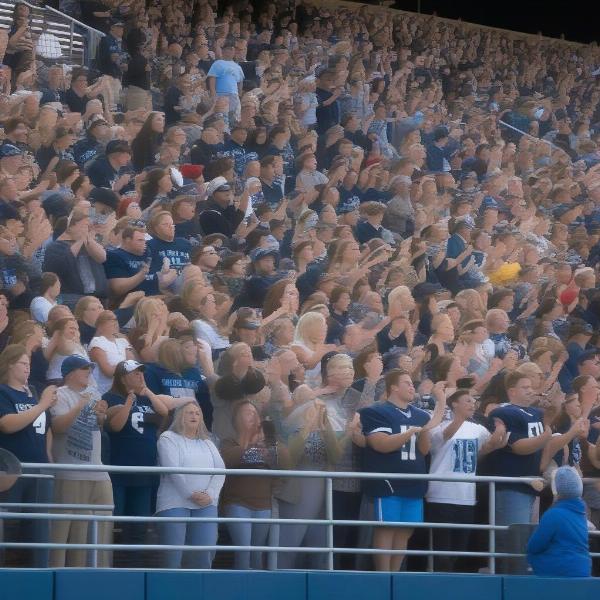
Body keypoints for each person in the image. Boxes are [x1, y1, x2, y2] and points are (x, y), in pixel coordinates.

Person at [358, 369, 445, 571]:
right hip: (388, 481)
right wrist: (411, 432)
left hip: (414, 481)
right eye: (406, 382)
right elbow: (380, 444)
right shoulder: (376, 412)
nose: (411, 386)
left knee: (405, 531)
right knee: (387, 528)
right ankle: (383, 575)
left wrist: (426, 425)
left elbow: (423, 450)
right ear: (393, 387)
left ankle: (395, 575)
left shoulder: (420, 414)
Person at [425, 388, 509, 571]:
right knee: (442, 550)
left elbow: (489, 447)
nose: (473, 404)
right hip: (441, 495)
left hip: (467, 496)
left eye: (473, 401)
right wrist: (458, 416)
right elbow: (446, 435)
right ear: (454, 404)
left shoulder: (477, 428)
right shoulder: (439, 426)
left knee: (460, 549)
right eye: (467, 401)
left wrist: (500, 432)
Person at [49, 355, 112, 568]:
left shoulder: (94, 393)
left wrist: (102, 416)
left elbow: (96, 427)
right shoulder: (59, 394)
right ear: (70, 373)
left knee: (100, 531)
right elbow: (58, 427)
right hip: (70, 472)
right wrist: (80, 406)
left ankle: (98, 578)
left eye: (90, 368)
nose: (89, 372)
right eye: (84, 368)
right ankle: (57, 579)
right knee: (62, 534)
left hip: (98, 471)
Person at [0, 345, 57, 568]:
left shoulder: (33, 392)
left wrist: (49, 456)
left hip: (40, 469)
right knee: (9, 525)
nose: (27, 368)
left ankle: (38, 577)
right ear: (10, 364)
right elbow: (6, 424)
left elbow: (47, 428)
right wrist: (42, 404)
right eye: (23, 363)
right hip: (11, 469)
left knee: (40, 527)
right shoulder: (3, 392)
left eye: (29, 364)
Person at [155, 401, 225, 569]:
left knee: (204, 552)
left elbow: (221, 470)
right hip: (174, 502)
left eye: (197, 413)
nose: (194, 416)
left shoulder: (208, 442)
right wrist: (191, 494)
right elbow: (173, 470)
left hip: (206, 503)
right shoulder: (168, 438)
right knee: (173, 557)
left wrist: (210, 494)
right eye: (189, 413)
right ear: (180, 416)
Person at [220, 401, 288, 569]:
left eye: (255, 413)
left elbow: (286, 463)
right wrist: (250, 442)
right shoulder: (229, 441)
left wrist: (271, 442)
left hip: (263, 505)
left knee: (257, 555)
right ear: (237, 419)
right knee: (243, 552)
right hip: (237, 504)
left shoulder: (269, 441)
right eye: (248, 413)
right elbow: (228, 459)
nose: (254, 416)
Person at [527, 466, 591, 577]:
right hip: (582, 570)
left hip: (557, 570)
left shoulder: (553, 515)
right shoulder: (581, 515)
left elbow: (534, 546)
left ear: (555, 491)